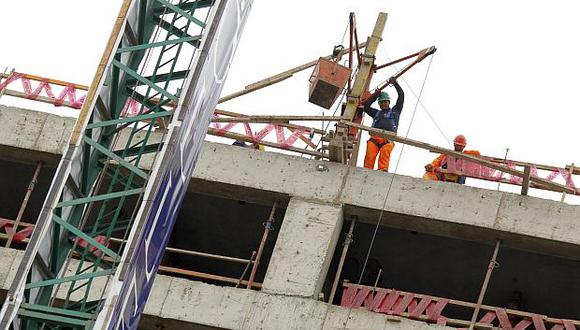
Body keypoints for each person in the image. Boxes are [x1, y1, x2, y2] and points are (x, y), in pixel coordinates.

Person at [363, 80, 404, 172]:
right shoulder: (376, 113)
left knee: (385, 152)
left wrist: (395, 84)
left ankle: (382, 170)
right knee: (369, 155)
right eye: (381, 102)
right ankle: (366, 171)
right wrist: (375, 96)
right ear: (379, 104)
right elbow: (366, 107)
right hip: (374, 139)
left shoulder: (395, 111)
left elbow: (401, 95)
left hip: (388, 139)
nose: (383, 104)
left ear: (389, 102)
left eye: (385, 102)